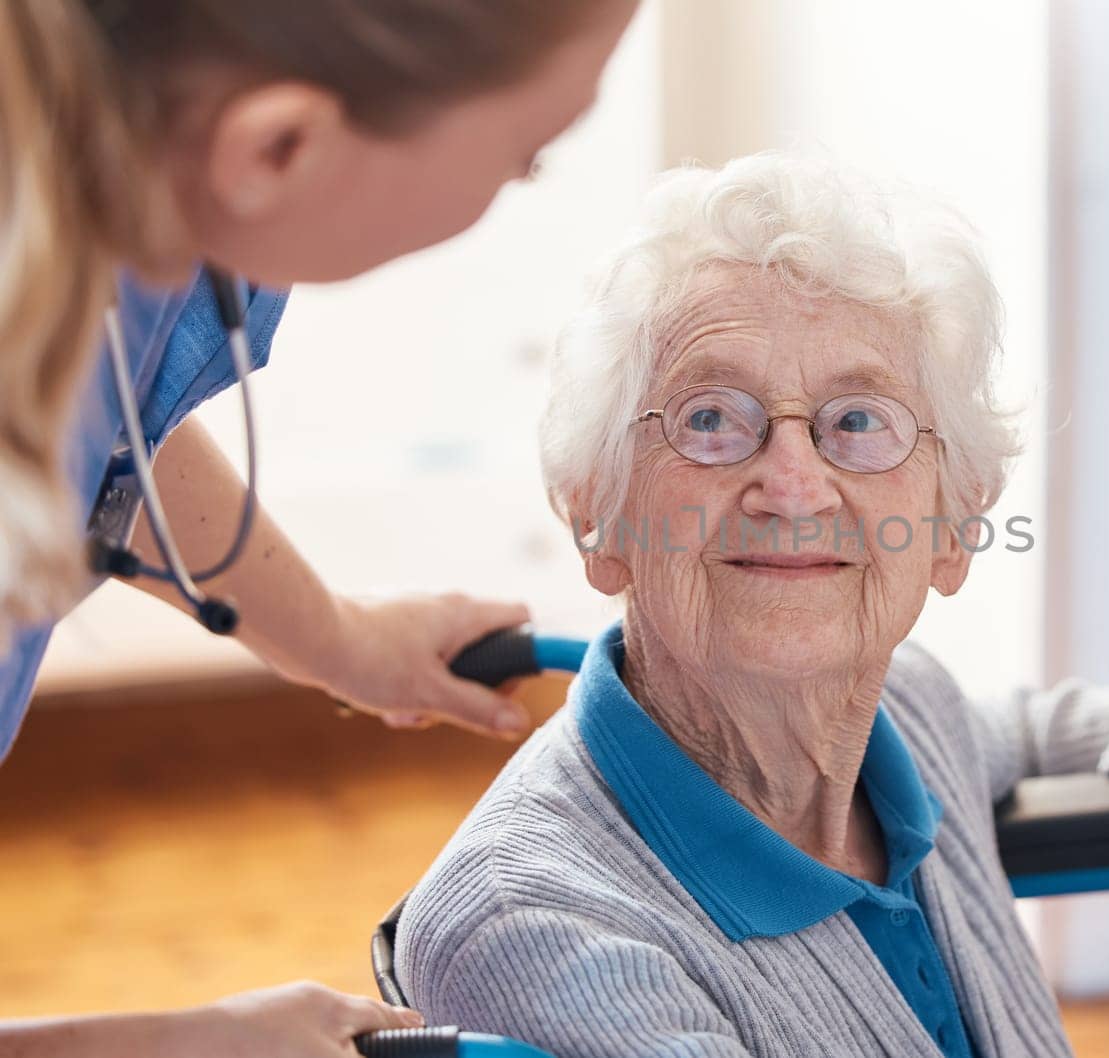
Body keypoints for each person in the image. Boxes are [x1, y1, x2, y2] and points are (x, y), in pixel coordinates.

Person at [396, 153, 1109, 1057]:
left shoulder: (902, 719)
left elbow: (1038, 727)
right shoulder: (535, 930)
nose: (793, 481)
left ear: (952, 526)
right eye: (711, 417)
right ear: (594, 514)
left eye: (860, 421)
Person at [0, 1, 638, 1055]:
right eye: (525, 160)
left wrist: (338, 636)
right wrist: (178, 1040)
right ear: (279, 146)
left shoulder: (104, 196)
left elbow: (107, 437)